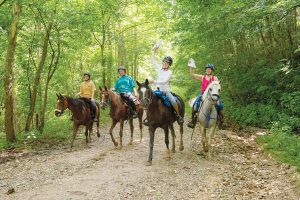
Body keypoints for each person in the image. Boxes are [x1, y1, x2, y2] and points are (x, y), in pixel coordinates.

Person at [150, 45, 184, 125]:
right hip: (157, 90)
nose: (165, 64)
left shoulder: (169, 72)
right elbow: (153, 61)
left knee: (173, 101)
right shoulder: (159, 68)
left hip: (166, 91)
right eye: (164, 62)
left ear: (169, 65)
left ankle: (178, 116)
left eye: (167, 63)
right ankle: (149, 117)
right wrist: (154, 51)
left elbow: (164, 81)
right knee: (149, 100)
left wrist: (154, 81)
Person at [187, 62, 224, 128]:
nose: (208, 70)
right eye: (207, 69)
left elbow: (219, 86)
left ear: (212, 70)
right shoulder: (202, 77)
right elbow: (192, 74)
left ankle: (222, 120)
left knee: (220, 105)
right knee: (195, 104)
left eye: (209, 69)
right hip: (203, 93)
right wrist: (191, 66)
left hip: (213, 94)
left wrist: (218, 91)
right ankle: (193, 120)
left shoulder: (215, 78)